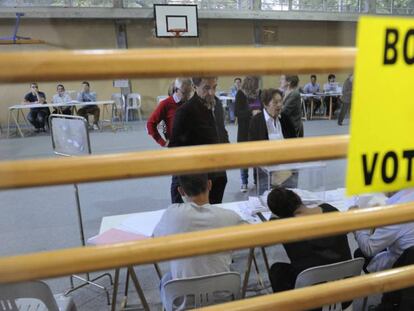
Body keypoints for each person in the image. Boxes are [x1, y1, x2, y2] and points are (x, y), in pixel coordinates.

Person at [153, 173, 243, 283]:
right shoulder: (230, 217)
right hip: (223, 293)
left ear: (181, 191)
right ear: (210, 184)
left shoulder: (171, 214)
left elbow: (155, 240)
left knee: (166, 280)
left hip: (182, 297)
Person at [267, 187, 352, 299]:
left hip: (312, 299)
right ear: (298, 197)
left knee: (277, 271)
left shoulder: (286, 228)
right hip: (345, 292)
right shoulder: (329, 210)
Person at [169, 77, 229, 204]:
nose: (212, 92)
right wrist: (179, 189)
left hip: (218, 177)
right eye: (206, 88)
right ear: (195, 87)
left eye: (214, 87)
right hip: (195, 184)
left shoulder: (217, 104)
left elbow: (222, 131)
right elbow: (175, 149)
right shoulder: (184, 112)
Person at [352, 189, 414, 273]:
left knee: (360, 253)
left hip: (403, 266)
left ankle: (380, 284)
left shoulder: (394, 212)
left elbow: (369, 249)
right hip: (408, 252)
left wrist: (356, 224)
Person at [249, 89, 297, 191]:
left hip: (286, 172)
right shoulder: (256, 121)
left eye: (281, 101)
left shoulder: (285, 119)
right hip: (265, 174)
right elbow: (252, 149)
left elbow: (294, 142)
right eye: (275, 102)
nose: (279, 105)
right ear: (266, 104)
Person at [147, 78, 193, 147]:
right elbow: (150, 124)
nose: (187, 96)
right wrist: (162, 142)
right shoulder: (165, 104)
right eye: (184, 93)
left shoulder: (189, 103)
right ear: (176, 90)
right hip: (176, 146)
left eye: (189, 93)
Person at [235, 76, 262, 192]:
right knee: (244, 159)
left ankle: (257, 181)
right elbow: (237, 113)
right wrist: (251, 112)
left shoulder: (259, 94)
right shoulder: (241, 94)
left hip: (257, 131)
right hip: (244, 131)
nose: (257, 86)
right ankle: (244, 182)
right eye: (255, 83)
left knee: (257, 158)